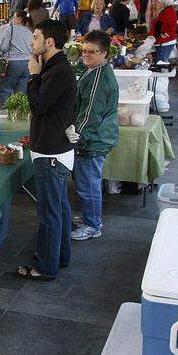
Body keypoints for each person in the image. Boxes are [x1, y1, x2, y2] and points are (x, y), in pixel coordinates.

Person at [17, 20, 76, 282]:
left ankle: (46, 267)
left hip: (51, 153)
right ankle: (59, 256)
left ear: (49, 42)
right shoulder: (56, 67)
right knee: (60, 208)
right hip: (56, 148)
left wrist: (32, 76)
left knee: (50, 212)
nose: (33, 42)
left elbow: (38, 105)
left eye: (36, 37)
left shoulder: (57, 70)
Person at [70, 31, 119, 242]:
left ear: (105, 53)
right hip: (95, 138)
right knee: (87, 182)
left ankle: (93, 225)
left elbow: (90, 114)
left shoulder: (99, 77)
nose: (86, 55)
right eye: (84, 51)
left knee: (88, 184)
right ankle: (91, 217)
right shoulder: (95, 70)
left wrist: (77, 136)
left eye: (92, 52)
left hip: (93, 141)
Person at [0, 10, 34, 107]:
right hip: (28, 64)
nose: (12, 19)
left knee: (5, 89)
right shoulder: (30, 31)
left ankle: (5, 114)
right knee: (21, 92)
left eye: (14, 17)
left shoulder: (11, 29)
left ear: (19, 19)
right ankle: (19, 114)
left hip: (12, 63)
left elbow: (3, 47)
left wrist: (0, 52)